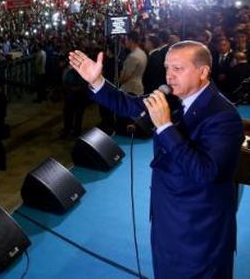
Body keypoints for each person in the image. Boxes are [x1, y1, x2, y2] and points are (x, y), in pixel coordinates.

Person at [69, 41, 244, 278]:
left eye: (178, 69)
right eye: (167, 68)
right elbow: (128, 104)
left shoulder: (224, 116)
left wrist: (165, 126)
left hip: (199, 232)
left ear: (203, 72)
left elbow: (206, 173)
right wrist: (97, 82)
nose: (169, 76)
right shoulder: (171, 97)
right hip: (167, 220)